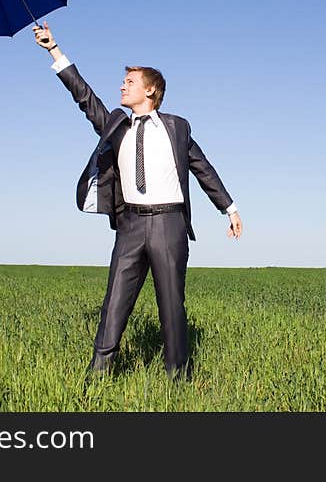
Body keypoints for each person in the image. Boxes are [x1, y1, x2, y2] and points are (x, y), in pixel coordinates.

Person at [34, 22, 242, 381]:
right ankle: (98, 374)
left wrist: (230, 208)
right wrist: (55, 50)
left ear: (150, 90)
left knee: (171, 305)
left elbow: (203, 168)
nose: (121, 86)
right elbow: (84, 96)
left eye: (129, 82)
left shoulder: (177, 127)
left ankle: (179, 377)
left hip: (169, 224)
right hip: (130, 225)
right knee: (114, 302)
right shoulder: (116, 125)